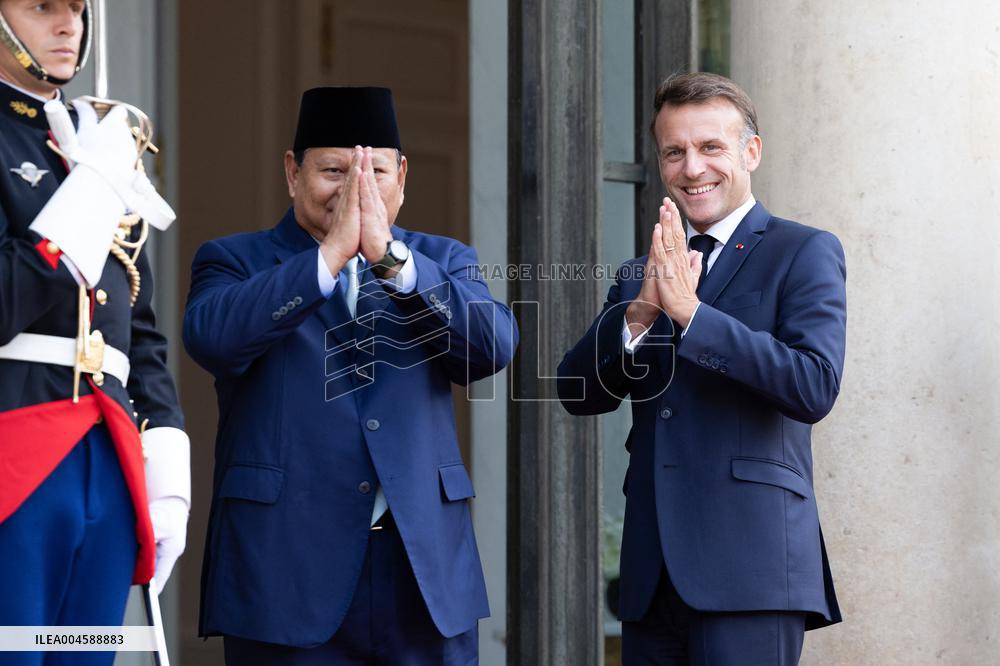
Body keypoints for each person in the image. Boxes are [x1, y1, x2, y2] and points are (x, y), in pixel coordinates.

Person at [184, 86, 518, 665]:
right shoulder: (235, 260)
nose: (354, 187)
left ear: (403, 176)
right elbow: (213, 339)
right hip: (286, 570)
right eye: (333, 169)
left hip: (421, 571)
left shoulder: (442, 261)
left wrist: (391, 260)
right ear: (293, 173)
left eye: (375, 171)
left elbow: (491, 348)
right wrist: (328, 258)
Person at [558, 72, 846, 665]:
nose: (693, 168)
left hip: (750, 568)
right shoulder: (645, 270)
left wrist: (691, 314)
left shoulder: (803, 250)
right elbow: (576, 391)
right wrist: (639, 312)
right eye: (675, 151)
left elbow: (813, 385)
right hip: (651, 572)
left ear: (751, 152)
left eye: (710, 146)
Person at [0, 0, 190, 662]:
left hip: (107, 457)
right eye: (42, 6)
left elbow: (139, 333)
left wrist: (167, 476)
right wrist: (87, 198)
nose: (67, 26)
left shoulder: (92, 139)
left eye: (77, 9)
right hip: (15, 454)